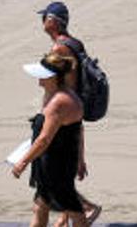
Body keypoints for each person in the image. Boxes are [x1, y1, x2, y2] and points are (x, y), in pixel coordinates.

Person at [36, 1, 101, 224]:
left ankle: (85, 207)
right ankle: (68, 214)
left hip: (63, 115)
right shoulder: (75, 43)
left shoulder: (59, 49)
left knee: (53, 174)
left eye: (44, 17)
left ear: (52, 21)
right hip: (73, 112)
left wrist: (52, 112)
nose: (42, 21)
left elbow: (64, 85)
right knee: (61, 173)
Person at [13, 53, 90, 227]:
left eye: (42, 75)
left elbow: (44, 139)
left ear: (54, 77)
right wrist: (80, 159)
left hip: (56, 165)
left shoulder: (59, 102)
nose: (38, 79)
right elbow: (79, 131)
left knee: (73, 209)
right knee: (41, 206)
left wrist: (23, 162)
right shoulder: (57, 94)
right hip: (52, 160)